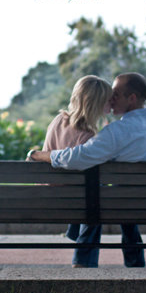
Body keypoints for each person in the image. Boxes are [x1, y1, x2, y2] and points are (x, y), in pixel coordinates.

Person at [28, 72, 146, 268]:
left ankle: (84, 260)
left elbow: (77, 158)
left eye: (115, 94)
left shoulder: (116, 132)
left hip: (121, 197)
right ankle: (134, 262)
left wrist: (39, 154)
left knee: (106, 189)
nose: (112, 99)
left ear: (132, 98)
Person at [26, 74, 112, 266]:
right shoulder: (90, 136)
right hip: (74, 200)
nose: (112, 103)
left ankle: (75, 234)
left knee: (87, 192)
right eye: (108, 100)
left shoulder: (58, 120)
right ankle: (83, 260)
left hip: (49, 192)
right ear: (98, 104)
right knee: (96, 200)